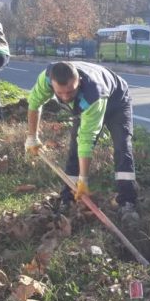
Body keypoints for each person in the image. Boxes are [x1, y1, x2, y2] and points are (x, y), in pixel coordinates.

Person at [24, 61, 139, 223]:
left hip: (116, 101)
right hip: (84, 102)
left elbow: (87, 138)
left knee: (122, 145)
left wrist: (83, 180)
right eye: (59, 93)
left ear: (79, 81)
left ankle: (127, 201)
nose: (64, 97)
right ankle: (68, 197)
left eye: (70, 91)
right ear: (52, 83)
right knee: (74, 147)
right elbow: (34, 103)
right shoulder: (46, 78)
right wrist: (32, 137)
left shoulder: (93, 93)